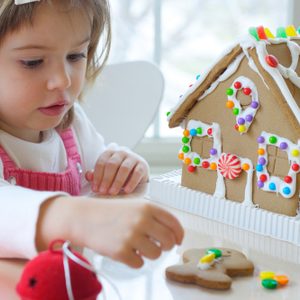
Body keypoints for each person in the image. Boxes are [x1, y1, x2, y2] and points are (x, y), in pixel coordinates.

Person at [0, 0, 184, 269]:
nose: (63, 80)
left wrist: (124, 168)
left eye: (75, 56)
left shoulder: (71, 127)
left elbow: (104, 185)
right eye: (33, 62)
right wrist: (76, 218)